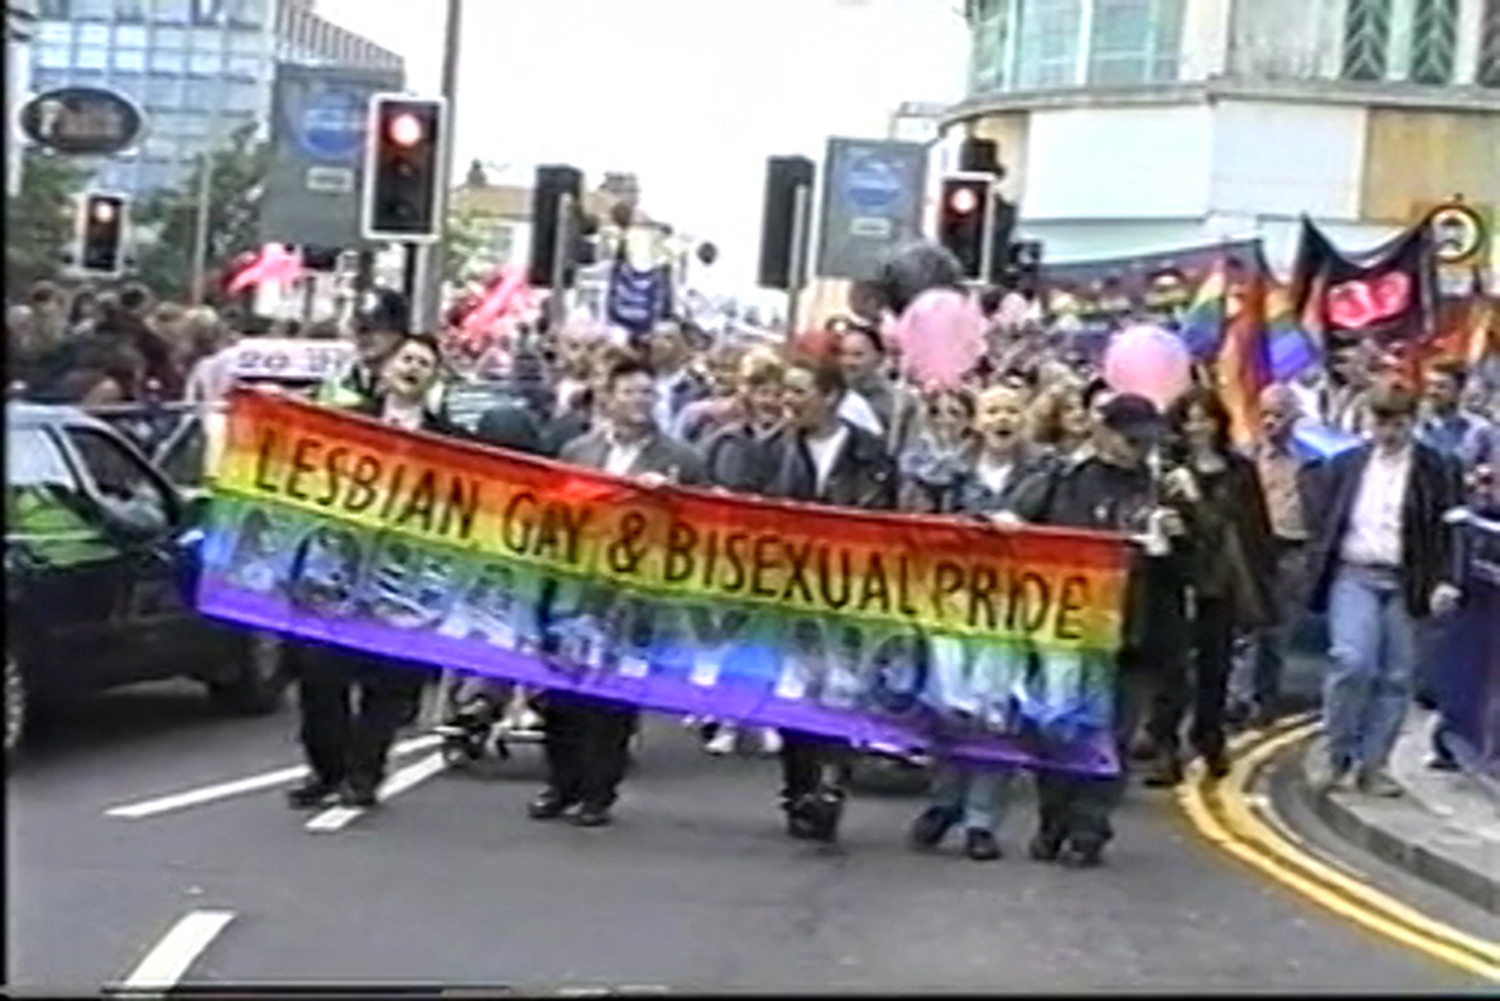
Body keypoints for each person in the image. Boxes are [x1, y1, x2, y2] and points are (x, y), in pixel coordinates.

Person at [1006, 393, 1191, 866]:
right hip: (1067, 629)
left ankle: (1091, 827)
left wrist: (1181, 535)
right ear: (1102, 433)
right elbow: (1011, 529)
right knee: (1059, 728)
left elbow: (1197, 569)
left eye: (1147, 442)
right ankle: (1055, 820)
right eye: (1131, 440)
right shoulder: (1061, 480)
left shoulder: (1164, 487)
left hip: (1136, 630)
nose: (1140, 450)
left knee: (1113, 736)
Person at [530, 357, 707, 828]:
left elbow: (703, 526)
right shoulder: (576, 449)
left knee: (613, 698)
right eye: (629, 392)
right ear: (607, 397)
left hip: (635, 594)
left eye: (648, 393)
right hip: (577, 585)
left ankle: (598, 791)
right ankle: (561, 783)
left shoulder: (681, 459)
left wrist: (669, 500)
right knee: (561, 694)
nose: (639, 402)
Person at [286, 332, 460, 810]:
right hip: (338, 571)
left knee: (386, 684)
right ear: (385, 369)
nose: (413, 368)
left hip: (403, 580)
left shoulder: (451, 443)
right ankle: (326, 769)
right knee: (320, 674)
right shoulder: (345, 423)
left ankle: (364, 775)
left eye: (425, 363)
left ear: (434, 378)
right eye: (407, 358)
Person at [906, 385, 1050, 862]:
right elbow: (918, 525)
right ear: (978, 420)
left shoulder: (1047, 472)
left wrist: (1030, 534)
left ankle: (982, 821)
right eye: (992, 411)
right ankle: (945, 802)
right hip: (953, 603)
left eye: (1012, 410)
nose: (1002, 419)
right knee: (950, 709)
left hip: (1013, 609)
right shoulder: (949, 471)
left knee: (997, 713)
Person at [759, 359, 898, 843]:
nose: (789, 401)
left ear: (832, 396)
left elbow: (890, 522)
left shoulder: (872, 456)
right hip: (788, 594)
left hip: (849, 594)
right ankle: (798, 788)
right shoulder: (771, 452)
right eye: (786, 392)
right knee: (794, 694)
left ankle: (831, 784)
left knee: (840, 692)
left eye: (800, 391)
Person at [1305, 383, 1463, 797]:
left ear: (1412, 421)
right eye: (1380, 422)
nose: (1388, 432)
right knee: (1352, 662)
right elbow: (1324, 521)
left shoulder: (1437, 468)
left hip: (1408, 579)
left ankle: (1373, 766)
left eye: (1397, 423)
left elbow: (1451, 530)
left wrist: (1447, 579)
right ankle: (1336, 754)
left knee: (1396, 677)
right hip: (1354, 574)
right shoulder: (1346, 464)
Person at [1142, 387, 1276, 786]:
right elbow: (1146, 517)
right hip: (1173, 577)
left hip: (1220, 579)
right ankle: (1166, 748)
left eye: (1205, 418)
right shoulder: (1164, 468)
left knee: (1214, 667)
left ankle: (1209, 736)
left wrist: (1196, 498)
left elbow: (1241, 526)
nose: (1197, 427)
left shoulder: (1238, 470)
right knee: (1171, 669)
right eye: (1189, 419)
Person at [1228, 383, 1324, 728]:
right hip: (1250, 550)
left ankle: (1264, 699)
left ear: (1294, 418)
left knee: (1278, 630)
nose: (1270, 422)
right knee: (1243, 627)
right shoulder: (1244, 458)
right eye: (1265, 414)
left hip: (1292, 550)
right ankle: (1236, 699)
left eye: (1279, 415)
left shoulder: (1311, 463)